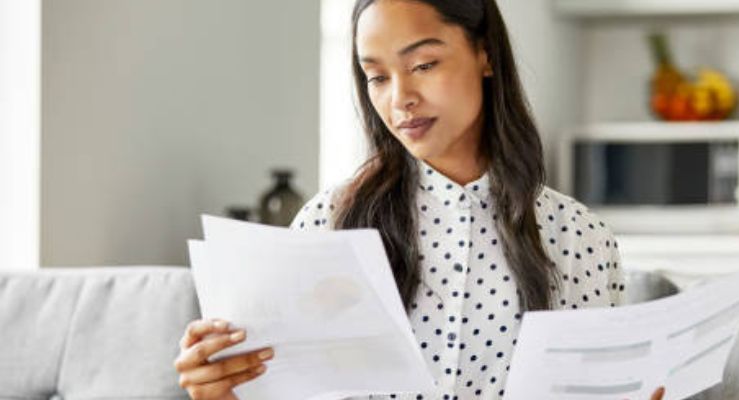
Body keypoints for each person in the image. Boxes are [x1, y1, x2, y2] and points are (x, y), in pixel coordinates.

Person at [173, 0, 666, 399]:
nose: (399, 98)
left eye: (423, 65)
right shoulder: (328, 222)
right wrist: (219, 394)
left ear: (485, 54)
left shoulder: (578, 236)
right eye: (377, 77)